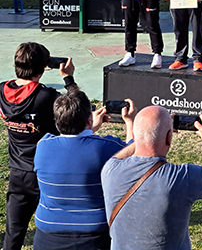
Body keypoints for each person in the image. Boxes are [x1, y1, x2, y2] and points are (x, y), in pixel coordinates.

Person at [101, 107, 202, 250]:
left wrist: (150, 133)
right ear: (169, 137)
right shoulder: (182, 178)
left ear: (135, 135)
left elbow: (124, 153)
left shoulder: (110, 169)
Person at [33, 93, 136, 250]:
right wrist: (129, 122)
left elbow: (72, 145)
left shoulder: (43, 146)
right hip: (95, 236)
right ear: (89, 119)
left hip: (48, 236)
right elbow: (133, 155)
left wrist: (89, 127)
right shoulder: (106, 148)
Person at [0, 43, 77, 250]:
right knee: (57, 229)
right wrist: (68, 78)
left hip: (18, 173)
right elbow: (77, 109)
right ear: (44, 67)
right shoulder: (47, 96)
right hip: (47, 171)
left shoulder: (2, 91)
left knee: (13, 232)